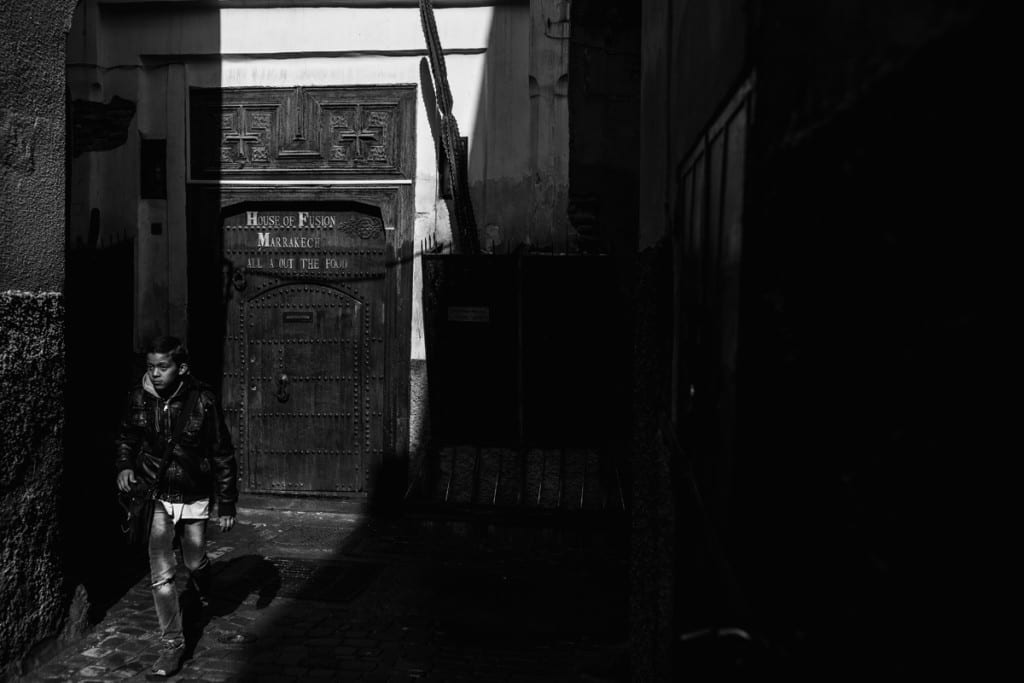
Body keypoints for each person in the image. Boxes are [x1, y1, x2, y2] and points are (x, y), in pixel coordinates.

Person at [115, 336, 237, 677]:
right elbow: (126, 438)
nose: (155, 374)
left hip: (194, 494)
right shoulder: (138, 398)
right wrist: (124, 466)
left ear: (181, 368)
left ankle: (204, 580)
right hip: (156, 496)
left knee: (194, 561)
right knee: (162, 577)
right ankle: (172, 645)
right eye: (150, 367)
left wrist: (226, 503)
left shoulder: (204, 401)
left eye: (163, 367)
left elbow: (222, 453)